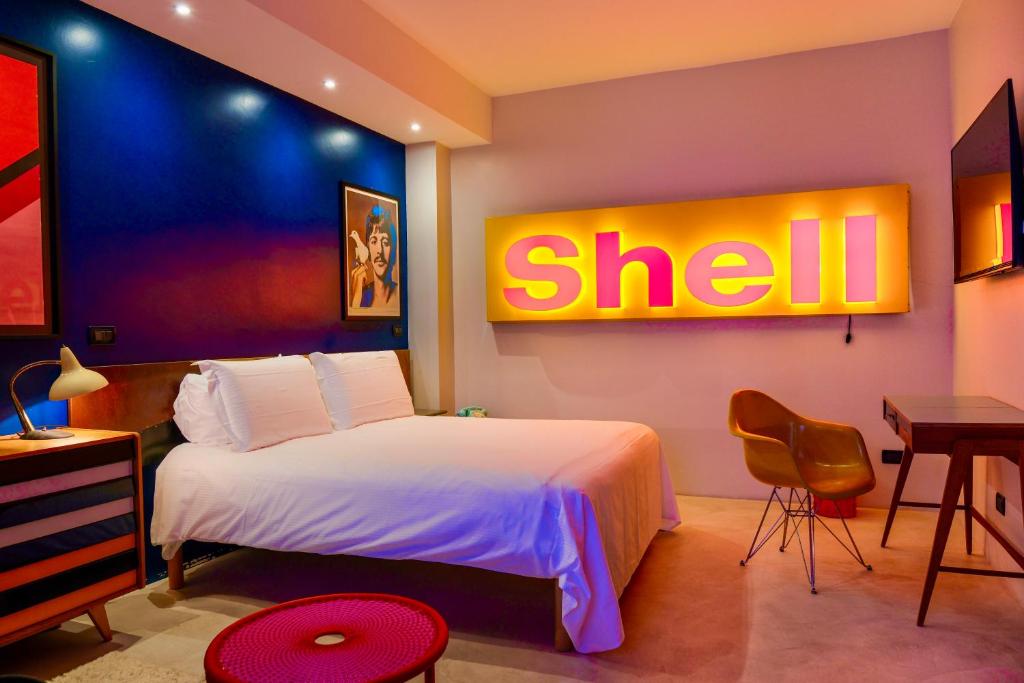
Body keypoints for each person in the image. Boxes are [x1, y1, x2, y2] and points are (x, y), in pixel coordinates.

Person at [350, 204, 399, 311]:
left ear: (393, 250)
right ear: (367, 248)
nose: (379, 251)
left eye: (385, 242)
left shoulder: (401, 297)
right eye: (373, 241)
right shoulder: (360, 297)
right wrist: (356, 301)